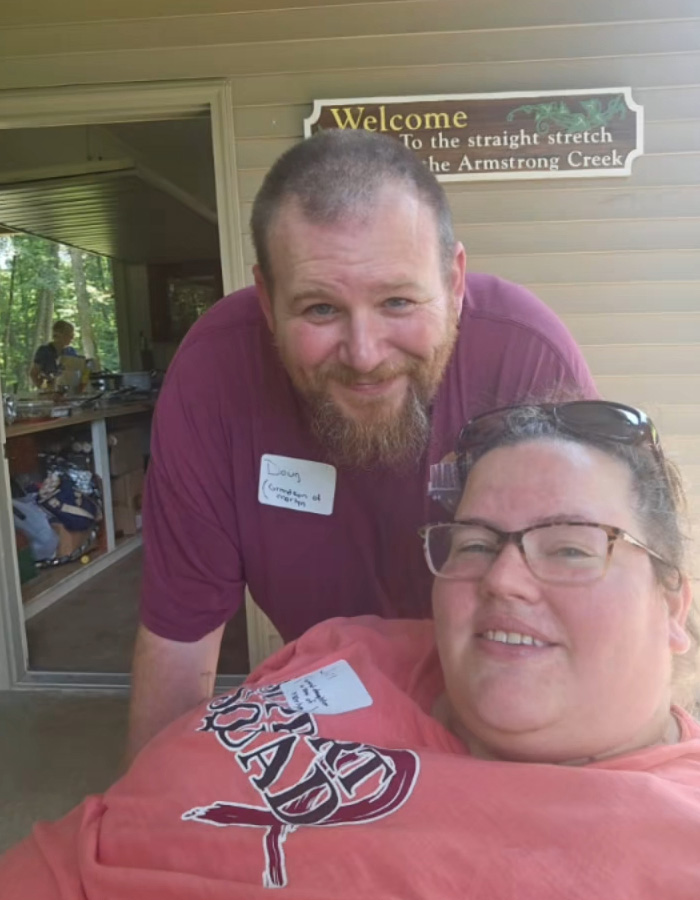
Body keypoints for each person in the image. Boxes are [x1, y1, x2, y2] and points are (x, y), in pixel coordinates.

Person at [2, 399, 699, 899]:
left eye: (571, 548)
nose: (503, 579)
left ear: (674, 606)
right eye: (476, 543)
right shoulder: (357, 644)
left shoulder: (671, 841)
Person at [129, 129, 597, 760]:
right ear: (266, 301)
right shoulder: (213, 376)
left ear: (455, 282)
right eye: (320, 309)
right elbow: (179, 646)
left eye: (398, 301)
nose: (366, 355)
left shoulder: (524, 357)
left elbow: (583, 610)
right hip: (327, 706)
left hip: (502, 704)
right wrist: (146, 821)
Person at [29, 320, 78, 388]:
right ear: (58, 335)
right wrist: (43, 388)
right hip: (49, 392)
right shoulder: (44, 351)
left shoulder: (71, 352)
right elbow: (33, 374)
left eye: (72, 335)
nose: (71, 338)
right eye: (68, 335)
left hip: (68, 391)